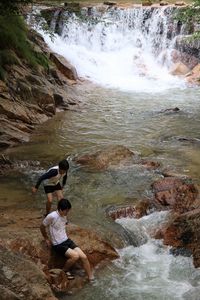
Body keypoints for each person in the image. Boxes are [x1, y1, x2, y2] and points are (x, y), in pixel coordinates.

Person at [40, 198, 94, 281]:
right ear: (60, 209)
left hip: (66, 240)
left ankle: (91, 278)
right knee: (75, 256)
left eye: (68, 211)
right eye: (66, 211)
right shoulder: (52, 216)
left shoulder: (64, 215)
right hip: (58, 244)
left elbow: (64, 223)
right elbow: (42, 226)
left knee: (84, 257)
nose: (67, 213)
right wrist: (46, 238)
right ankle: (64, 271)